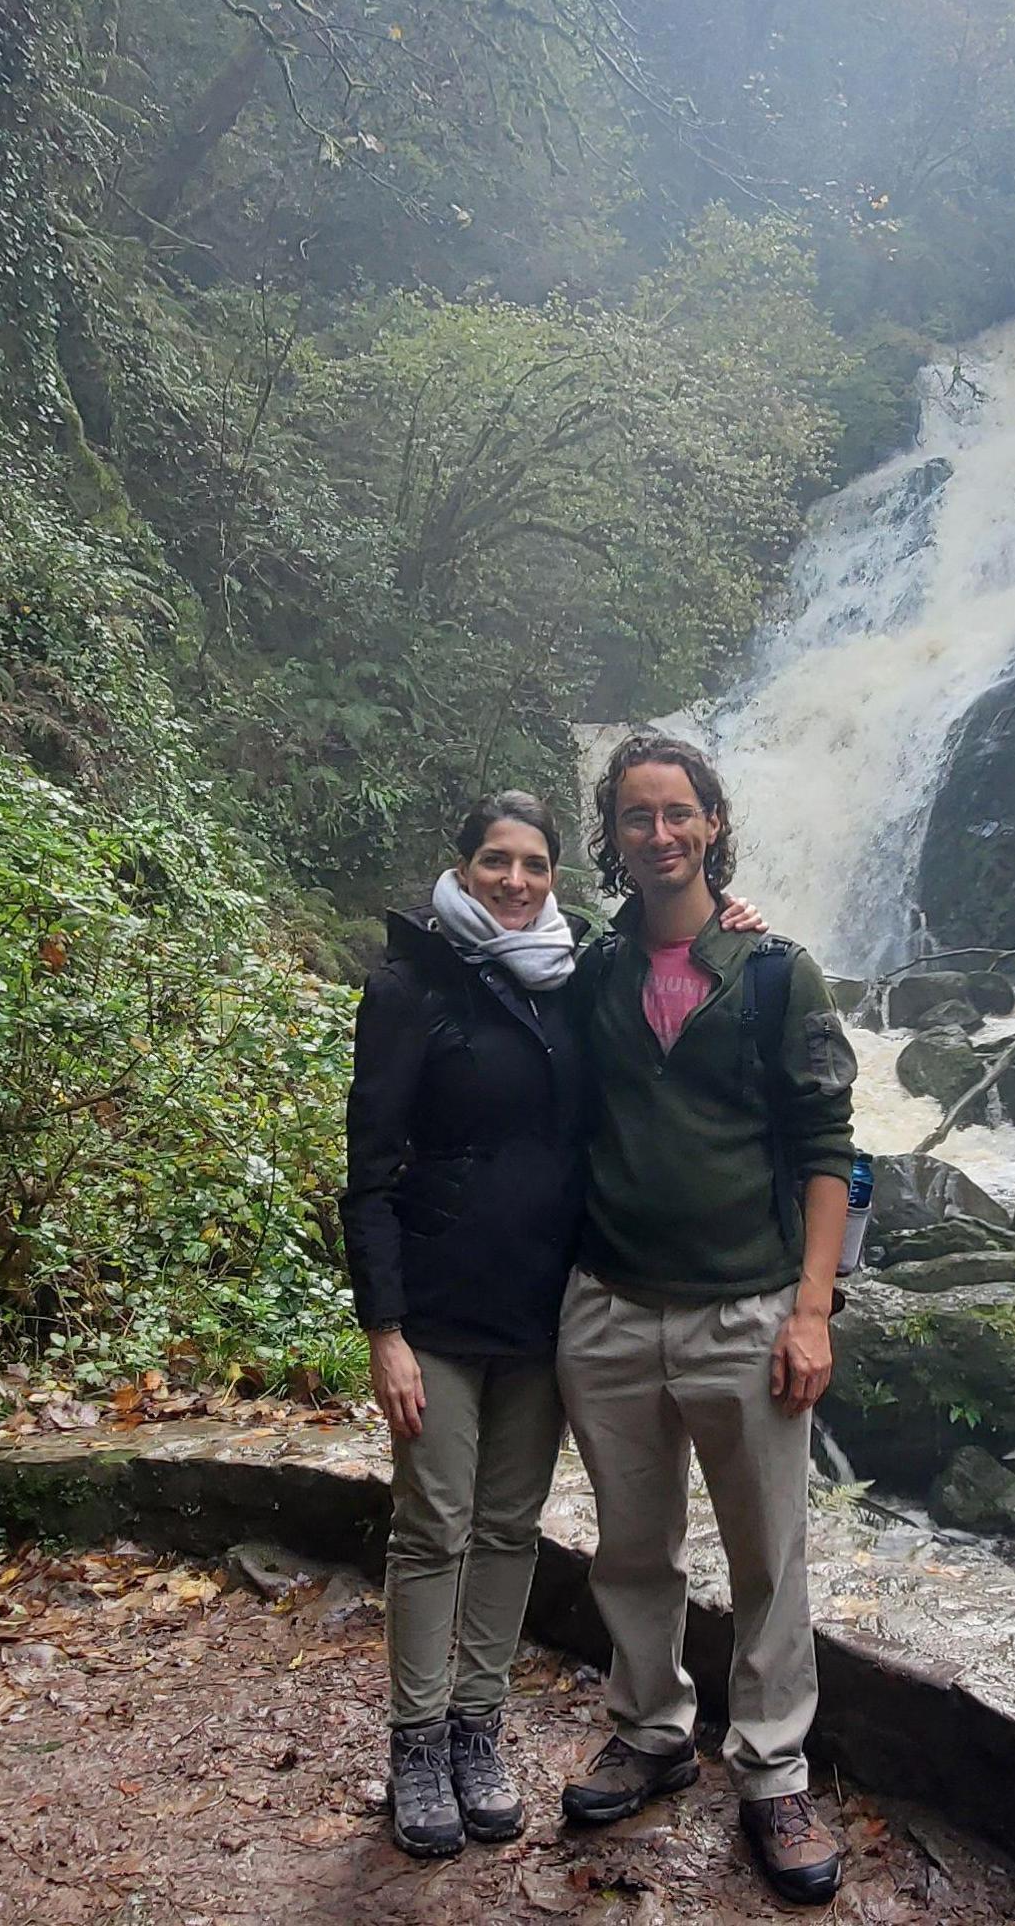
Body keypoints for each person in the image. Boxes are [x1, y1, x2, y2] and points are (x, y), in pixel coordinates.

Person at [339, 791, 763, 1860]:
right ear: (463, 866)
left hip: (546, 1304)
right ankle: (416, 1745)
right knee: (434, 1523)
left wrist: (730, 924)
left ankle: (477, 1731)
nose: (516, 882)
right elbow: (369, 1174)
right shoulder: (409, 985)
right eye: (497, 861)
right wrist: (383, 1328)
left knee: (509, 1526)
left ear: (557, 876)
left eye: (534, 865)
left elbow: (671, 951)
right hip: (436, 1306)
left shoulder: (575, 977)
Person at [556, 732, 858, 1907]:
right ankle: (651, 1732)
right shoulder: (590, 973)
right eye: (638, 816)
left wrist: (812, 1310)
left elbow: (828, 1148)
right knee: (632, 1548)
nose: (660, 833)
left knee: (768, 1558)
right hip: (611, 1306)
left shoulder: (778, 974)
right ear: (615, 836)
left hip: (748, 1311)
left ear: (713, 824)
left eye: (678, 812)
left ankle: (774, 1771)